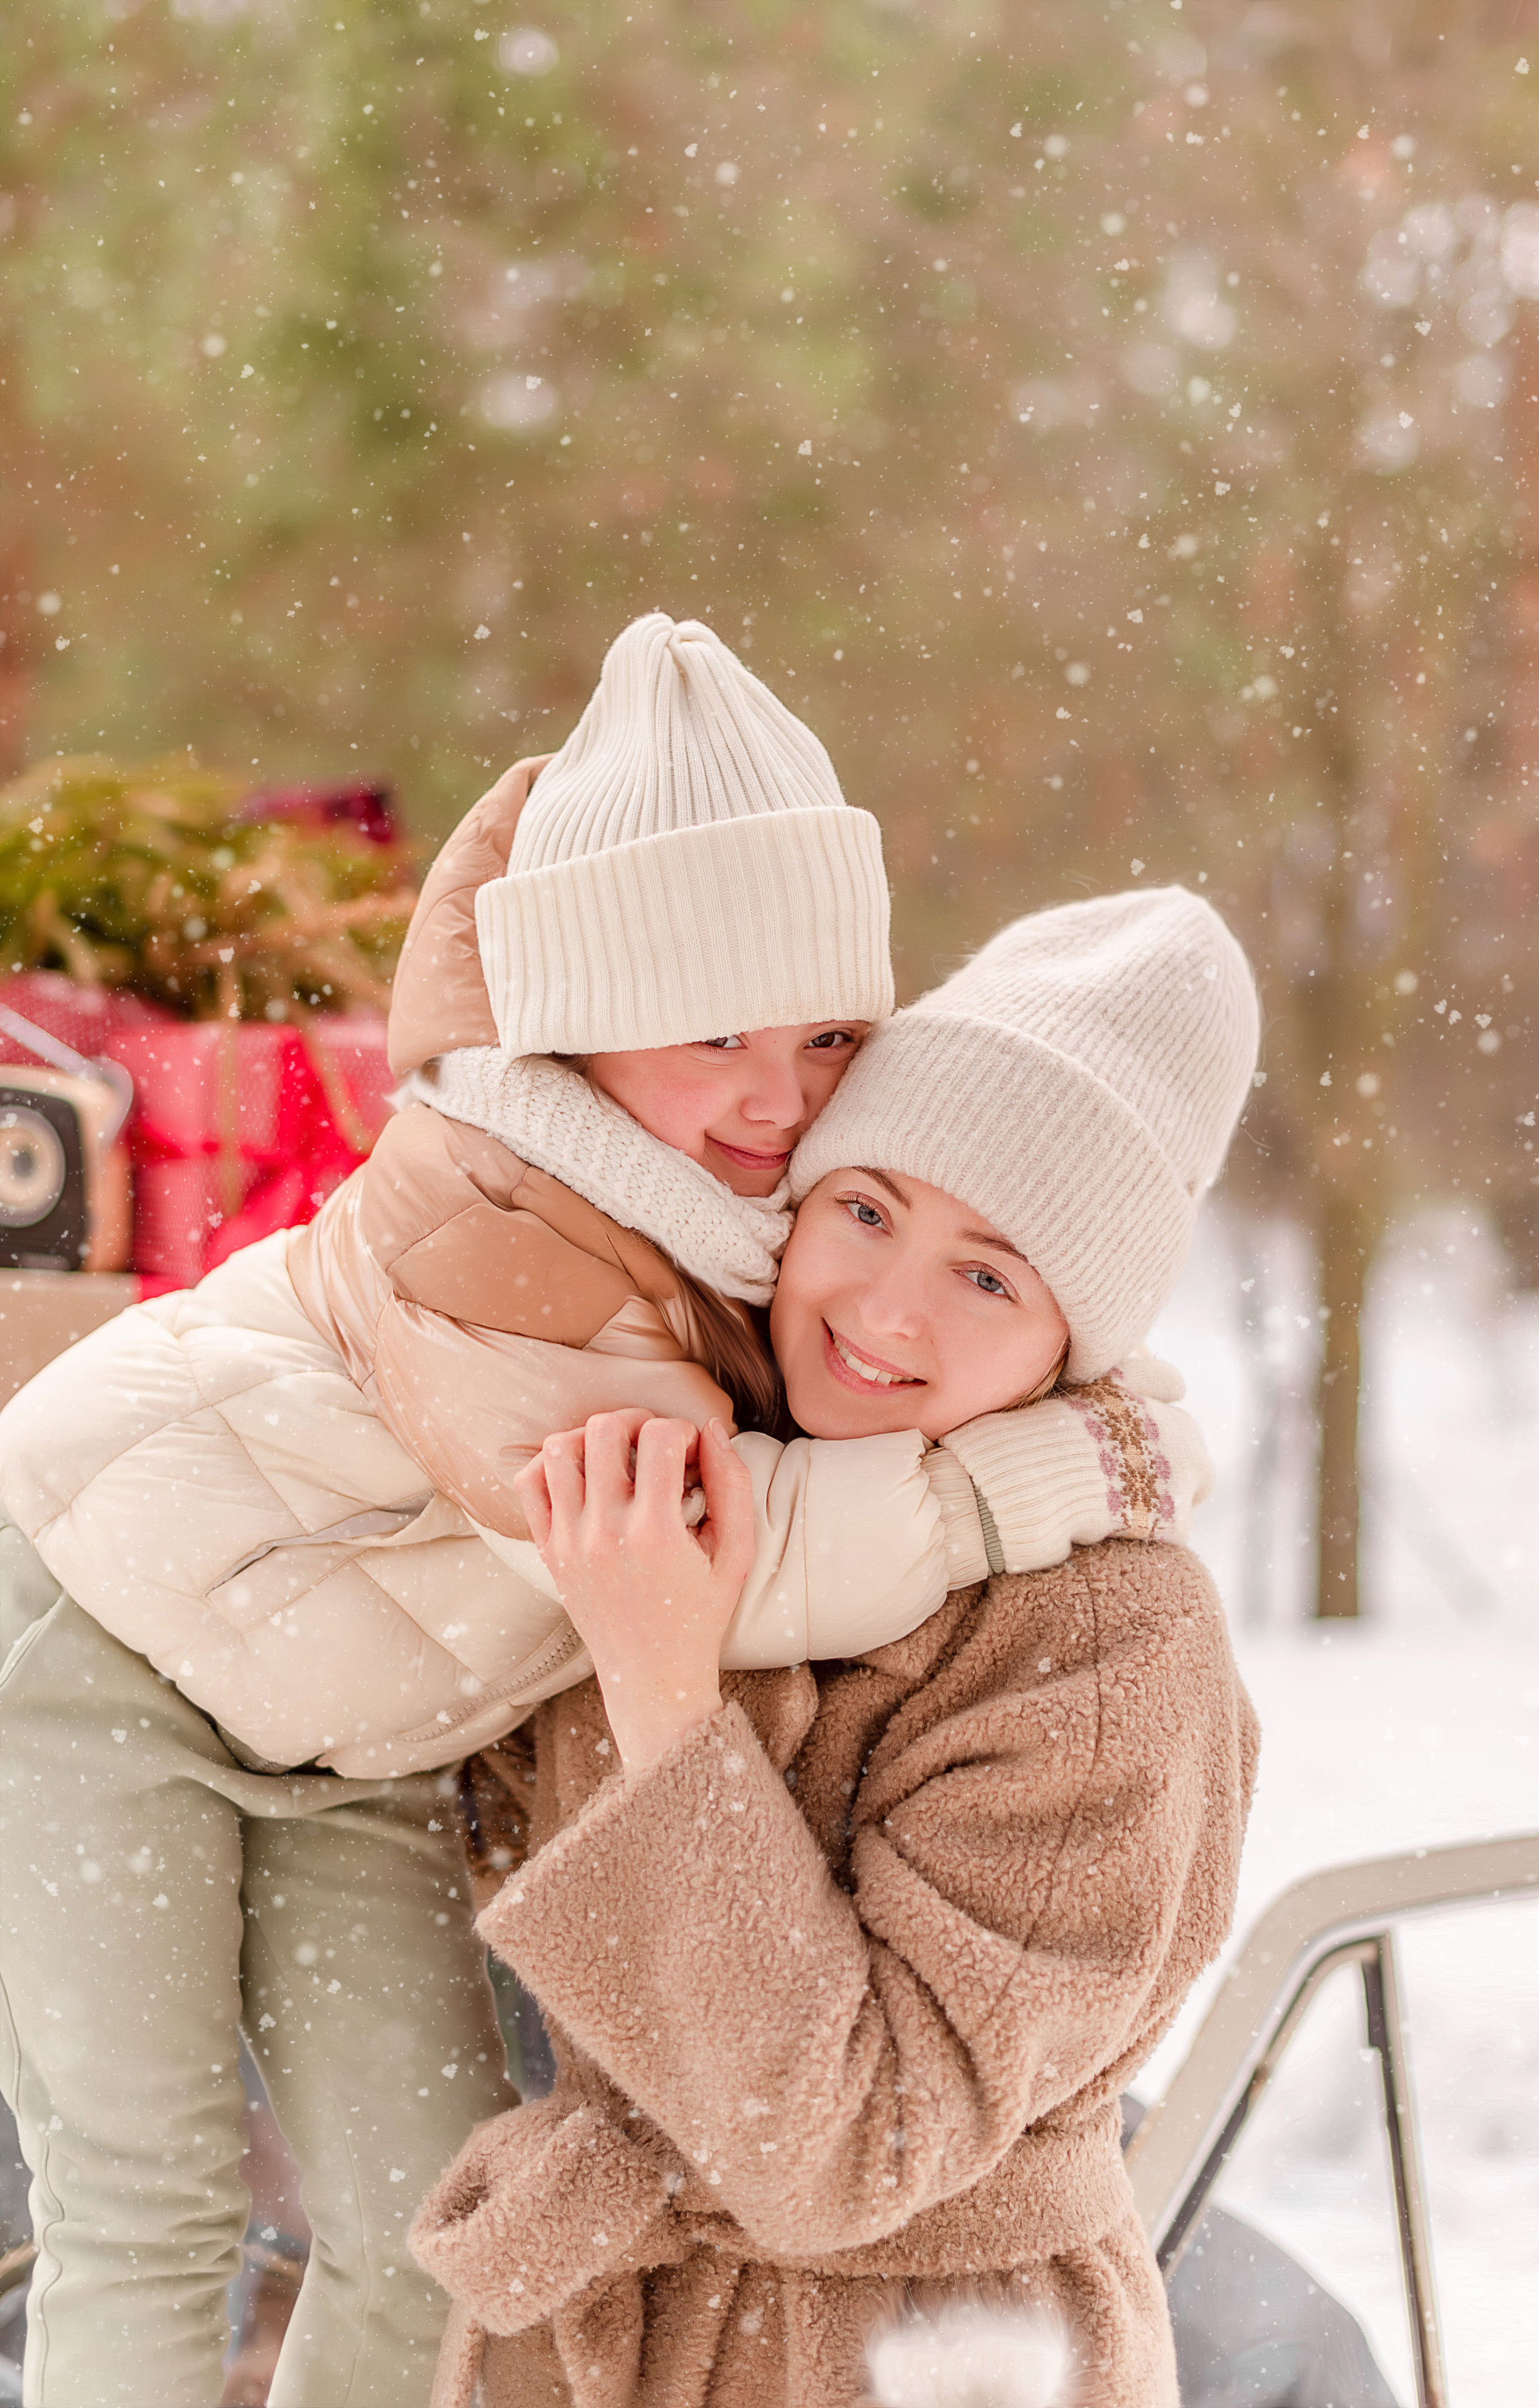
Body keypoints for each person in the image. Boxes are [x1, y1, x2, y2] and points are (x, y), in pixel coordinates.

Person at [0, 622, 1202, 2408]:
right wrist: (1036, 1476)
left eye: (826, 1037)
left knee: (421, 2230)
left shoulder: (732, 1217)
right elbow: (700, 1553)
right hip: (103, 1629)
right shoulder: (496, 1217)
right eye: (713, 1032)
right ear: (578, 1017)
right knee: (151, 2197)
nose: (777, 1093)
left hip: (347, 1728)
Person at [412, 886, 1263, 2408]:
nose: (881, 1307)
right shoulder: (724, 1477)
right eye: (864, 1209)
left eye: (986, 1275)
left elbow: (843, 2147)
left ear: (1074, 1341)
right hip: (609, 2334)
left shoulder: (1106, 1645)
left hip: (922, 2356)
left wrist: (663, 1692)